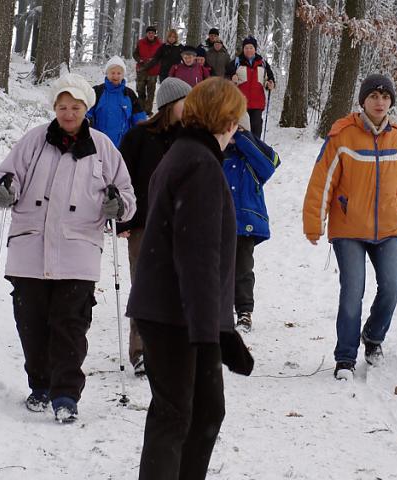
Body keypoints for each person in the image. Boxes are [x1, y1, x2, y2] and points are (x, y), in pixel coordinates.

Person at [0, 73, 136, 422]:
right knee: (32, 323)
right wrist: (5, 190)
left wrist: (119, 205)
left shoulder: (103, 147)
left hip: (78, 251)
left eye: (76, 107)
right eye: (63, 107)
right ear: (54, 108)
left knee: (70, 325)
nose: (69, 113)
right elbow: (4, 179)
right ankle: (39, 386)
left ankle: (66, 394)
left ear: (87, 108)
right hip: (29, 250)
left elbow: (127, 194)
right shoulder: (33, 142)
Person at [126, 77, 253, 480]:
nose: (240, 125)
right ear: (227, 120)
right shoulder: (198, 164)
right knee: (177, 414)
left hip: (174, 312)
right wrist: (211, 333)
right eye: (238, 117)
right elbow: (196, 255)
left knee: (201, 410)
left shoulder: (188, 153)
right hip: (174, 316)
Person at [302, 73, 397, 381]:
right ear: (363, 101)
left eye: (385, 97)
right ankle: (345, 358)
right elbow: (322, 181)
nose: (380, 102)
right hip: (349, 228)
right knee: (353, 291)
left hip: (388, 230)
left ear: (391, 101)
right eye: (373, 96)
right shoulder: (342, 135)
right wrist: (315, 221)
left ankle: (373, 337)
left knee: (392, 287)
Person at [117, 77, 192, 376]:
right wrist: (125, 220)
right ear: (170, 105)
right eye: (187, 102)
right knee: (145, 288)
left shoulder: (192, 138)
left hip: (183, 226)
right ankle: (142, 351)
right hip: (145, 224)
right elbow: (122, 180)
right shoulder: (138, 137)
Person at [222, 112, 281, 332]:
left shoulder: (253, 158)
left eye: (236, 129)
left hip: (246, 222)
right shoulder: (217, 154)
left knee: (243, 269)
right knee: (220, 268)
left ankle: (245, 311)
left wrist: (245, 139)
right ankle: (221, 310)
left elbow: (271, 163)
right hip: (220, 221)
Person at [86, 56, 147, 148]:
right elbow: (86, 112)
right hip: (99, 143)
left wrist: (142, 134)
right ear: (107, 73)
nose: (115, 76)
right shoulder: (98, 91)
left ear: (123, 75)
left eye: (119, 73)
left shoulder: (129, 94)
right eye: (112, 73)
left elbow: (138, 117)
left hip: (123, 145)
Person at [226, 36, 275, 139]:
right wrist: (231, 78)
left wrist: (270, 83)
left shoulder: (262, 63)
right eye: (246, 47)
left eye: (251, 47)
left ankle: (256, 150)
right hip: (241, 103)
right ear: (243, 49)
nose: (248, 50)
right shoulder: (236, 62)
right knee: (243, 130)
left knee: (256, 129)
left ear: (255, 49)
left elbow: (269, 78)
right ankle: (243, 152)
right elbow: (226, 77)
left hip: (257, 103)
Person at [133, 26, 163, 115]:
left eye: (152, 33)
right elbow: (135, 54)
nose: (151, 34)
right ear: (147, 34)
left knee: (151, 92)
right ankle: (141, 110)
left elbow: (161, 57)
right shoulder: (140, 42)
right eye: (149, 33)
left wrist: (156, 63)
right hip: (141, 70)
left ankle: (148, 111)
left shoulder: (160, 44)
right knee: (140, 91)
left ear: (155, 34)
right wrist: (139, 60)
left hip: (153, 71)